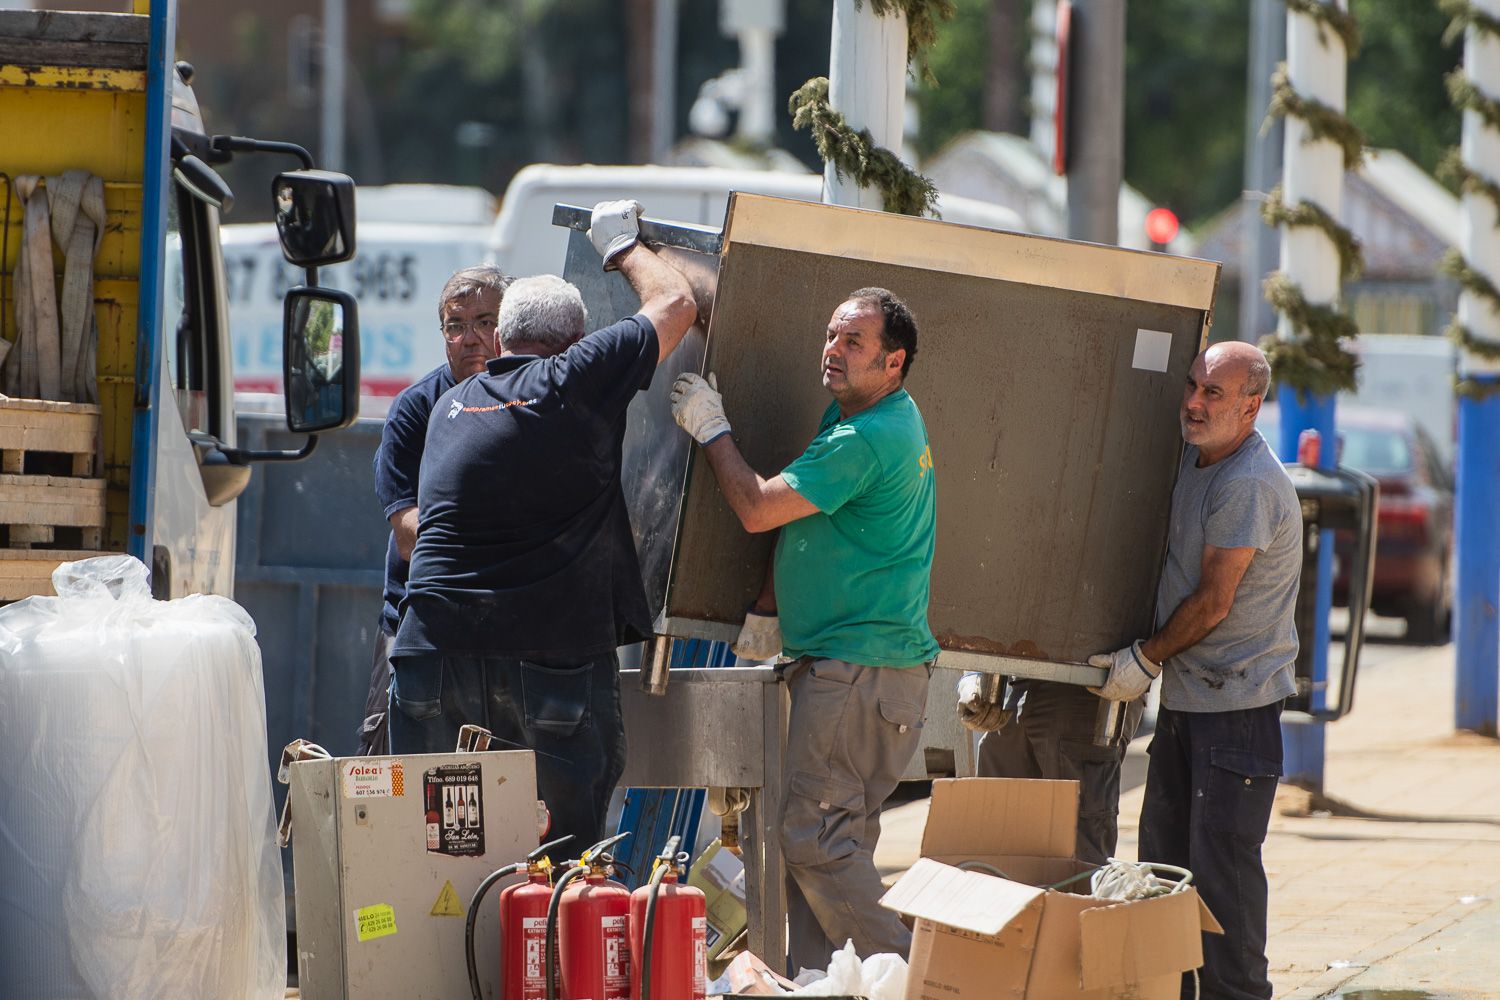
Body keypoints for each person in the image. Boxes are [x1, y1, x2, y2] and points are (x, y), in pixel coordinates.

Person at [388, 201, 698, 853]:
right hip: (544, 657)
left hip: (432, 656)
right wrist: (621, 246)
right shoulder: (575, 376)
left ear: (501, 341)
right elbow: (676, 304)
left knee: (444, 857)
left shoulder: (449, 405)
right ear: (578, 342)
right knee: (559, 862)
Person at [669, 288, 939, 973]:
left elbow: (760, 509)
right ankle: (828, 984)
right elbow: (805, 523)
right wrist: (770, 608)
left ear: (894, 361)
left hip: (856, 669)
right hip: (862, 669)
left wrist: (711, 429)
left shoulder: (865, 436)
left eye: (853, 342)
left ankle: (920, 982)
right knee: (819, 853)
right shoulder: (866, 414)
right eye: (831, 336)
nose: (832, 351)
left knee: (813, 843)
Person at [1089, 340, 1299, 1000]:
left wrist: (1144, 659)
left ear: (1251, 407)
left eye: (1213, 393)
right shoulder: (1196, 459)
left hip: (1237, 713)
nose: (1193, 402)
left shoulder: (1247, 484)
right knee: (1165, 874)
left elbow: (1213, 602)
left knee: (1222, 884)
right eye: (1192, 386)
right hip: (1190, 703)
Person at [357, 264, 509, 756]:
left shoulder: (534, 397)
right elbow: (410, 537)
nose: (471, 338)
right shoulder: (414, 410)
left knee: (500, 785)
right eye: (455, 325)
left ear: (510, 325)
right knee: (393, 780)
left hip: (508, 634)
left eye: (485, 322)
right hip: (417, 630)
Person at [955, 674, 1143, 865]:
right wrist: (973, 678)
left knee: (1078, 849)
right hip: (1024, 679)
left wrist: (1137, 668)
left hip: (1094, 687)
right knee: (997, 838)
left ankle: (1080, 882)